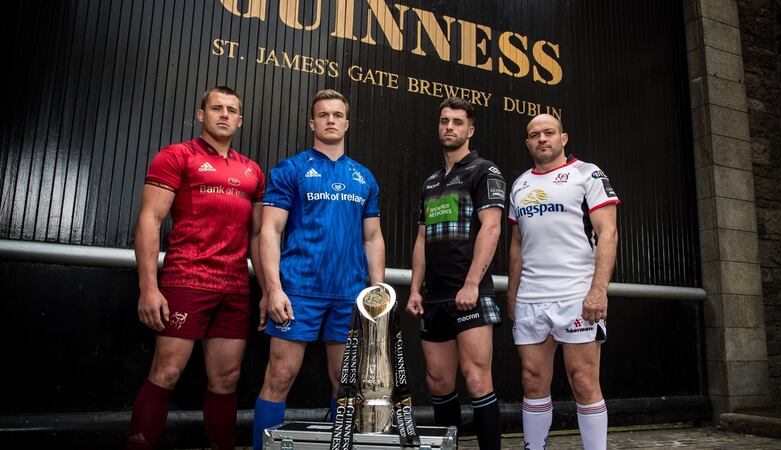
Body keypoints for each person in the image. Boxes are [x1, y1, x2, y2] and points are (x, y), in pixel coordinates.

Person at [126, 86, 266, 450]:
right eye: (216, 107)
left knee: (227, 378)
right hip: (186, 279)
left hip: (235, 286)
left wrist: (266, 291)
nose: (224, 114)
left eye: (231, 109)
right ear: (201, 114)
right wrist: (149, 288)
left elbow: (257, 238)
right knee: (167, 372)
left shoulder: (252, 170)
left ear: (240, 120)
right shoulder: (177, 156)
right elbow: (149, 220)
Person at [252, 89, 385, 448]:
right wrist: (273, 288)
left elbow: (372, 238)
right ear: (312, 122)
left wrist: (378, 293)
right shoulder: (291, 169)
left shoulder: (364, 177)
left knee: (346, 385)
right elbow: (270, 230)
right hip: (298, 291)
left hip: (349, 295)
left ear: (347, 123)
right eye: (323, 114)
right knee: (279, 376)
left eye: (337, 115)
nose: (330, 120)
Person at [507, 114, 619, 450]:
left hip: (576, 295)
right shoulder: (520, 183)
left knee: (583, 380)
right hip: (531, 297)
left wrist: (599, 290)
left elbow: (608, 232)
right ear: (527, 142)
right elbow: (516, 243)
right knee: (532, 380)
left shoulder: (587, 174)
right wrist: (512, 293)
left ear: (563, 138)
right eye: (534, 135)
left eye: (548, 133)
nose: (541, 139)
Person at [406, 97, 505, 450]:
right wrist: (415, 288)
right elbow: (421, 239)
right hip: (433, 297)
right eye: (444, 121)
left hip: (470, 294)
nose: (449, 126)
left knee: (477, 381)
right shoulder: (431, 182)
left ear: (470, 130)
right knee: (438, 381)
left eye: (457, 122)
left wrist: (472, 284)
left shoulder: (484, 171)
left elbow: (491, 228)